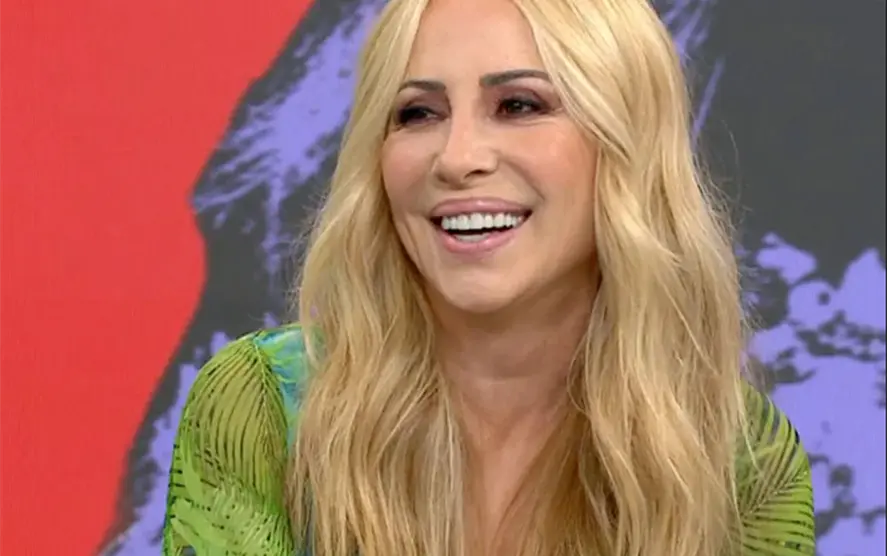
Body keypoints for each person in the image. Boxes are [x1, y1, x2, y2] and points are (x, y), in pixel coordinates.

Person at [161, 0, 816, 554]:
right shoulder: (265, 409)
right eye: (418, 113)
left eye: (519, 104)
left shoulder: (743, 465)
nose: (457, 158)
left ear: (625, 147)